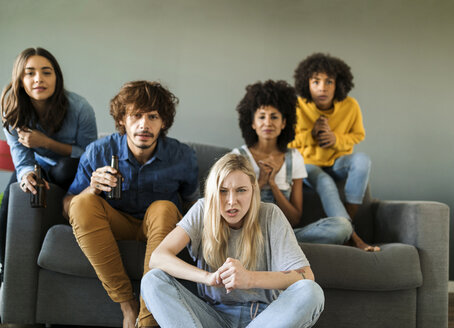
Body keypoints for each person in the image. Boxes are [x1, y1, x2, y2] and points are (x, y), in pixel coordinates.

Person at [62, 80, 199, 328]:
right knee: (82, 203)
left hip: (159, 228)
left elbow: (192, 206)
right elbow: (67, 205)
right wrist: (92, 188)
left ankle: (147, 320)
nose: (144, 124)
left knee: (164, 207)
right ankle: (128, 305)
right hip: (116, 223)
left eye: (153, 116)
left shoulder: (183, 156)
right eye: (136, 115)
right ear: (122, 120)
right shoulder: (98, 152)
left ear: (164, 122)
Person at [141, 153, 324, 328]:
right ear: (213, 191)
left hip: (265, 319)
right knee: (152, 280)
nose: (231, 201)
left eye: (241, 190)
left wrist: (249, 279)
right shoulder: (202, 209)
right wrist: (209, 278)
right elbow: (158, 258)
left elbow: (306, 275)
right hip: (211, 317)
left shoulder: (270, 214)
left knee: (311, 292)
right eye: (222, 191)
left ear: (253, 189)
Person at [0, 47, 97, 278]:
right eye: (30, 73)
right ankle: (4, 268)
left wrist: (45, 142)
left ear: (57, 77)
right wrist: (26, 176)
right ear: (20, 79)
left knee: (64, 167)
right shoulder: (12, 109)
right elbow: (21, 158)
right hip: (38, 166)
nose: (38, 79)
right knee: (13, 195)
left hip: (72, 168)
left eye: (46, 72)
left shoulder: (79, 108)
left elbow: (89, 155)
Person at [232, 80, 352, 245]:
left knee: (342, 227)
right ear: (252, 123)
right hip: (249, 235)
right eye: (261, 117)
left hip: (285, 235)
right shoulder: (239, 157)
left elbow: (294, 219)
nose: (268, 122)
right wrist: (261, 182)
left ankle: (280, 246)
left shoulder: (294, 157)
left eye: (274, 117)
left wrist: (273, 185)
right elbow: (234, 211)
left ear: (283, 123)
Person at [289, 53, 379, 252]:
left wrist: (335, 139)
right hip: (307, 164)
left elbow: (358, 135)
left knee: (363, 160)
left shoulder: (350, 106)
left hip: (337, 161)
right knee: (326, 182)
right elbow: (287, 140)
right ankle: (353, 236)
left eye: (329, 81)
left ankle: (347, 225)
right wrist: (312, 135)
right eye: (316, 81)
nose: (323, 87)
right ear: (307, 83)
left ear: (338, 84)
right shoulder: (297, 106)